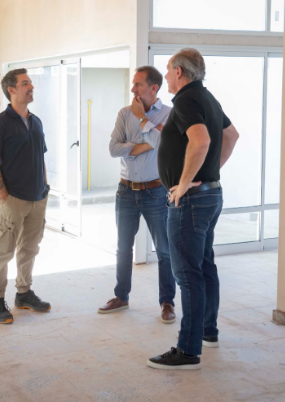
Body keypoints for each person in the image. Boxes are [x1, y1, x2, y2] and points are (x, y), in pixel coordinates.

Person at [147, 49, 239, 370]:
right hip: (210, 195)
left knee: (188, 274)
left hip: (191, 202)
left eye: (168, 70)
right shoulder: (208, 98)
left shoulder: (186, 100)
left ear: (178, 72)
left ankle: (188, 350)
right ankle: (207, 331)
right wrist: (210, 171)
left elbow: (200, 141)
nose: (165, 76)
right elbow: (231, 136)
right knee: (204, 265)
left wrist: (185, 182)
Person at [100, 66, 177, 325]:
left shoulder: (169, 114)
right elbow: (113, 149)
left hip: (156, 191)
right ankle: (121, 297)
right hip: (125, 191)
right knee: (123, 248)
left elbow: (163, 143)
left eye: (138, 84)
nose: (133, 89)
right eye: (133, 84)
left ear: (154, 88)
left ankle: (167, 302)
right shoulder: (124, 113)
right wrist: (146, 144)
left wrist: (142, 122)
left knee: (164, 250)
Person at [0, 68, 50, 324]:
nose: (31, 87)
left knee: (30, 248)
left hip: (37, 197)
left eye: (30, 82)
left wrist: (45, 186)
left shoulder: (36, 121)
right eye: (25, 83)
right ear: (11, 90)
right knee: (3, 251)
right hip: (12, 199)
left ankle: (23, 293)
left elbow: (41, 156)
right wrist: (3, 195)